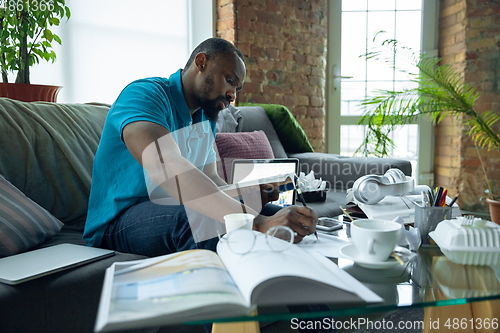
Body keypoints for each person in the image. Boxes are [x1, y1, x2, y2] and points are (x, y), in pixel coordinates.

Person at [83, 37, 318, 256]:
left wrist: (245, 195)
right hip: (118, 219)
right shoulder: (144, 95)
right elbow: (165, 167)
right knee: (201, 220)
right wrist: (255, 223)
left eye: (237, 88)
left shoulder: (205, 119)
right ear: (201, 62)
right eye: (230, 81)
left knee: (281, 215)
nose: (233, 95)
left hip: (173, 207)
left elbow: (212, 180)